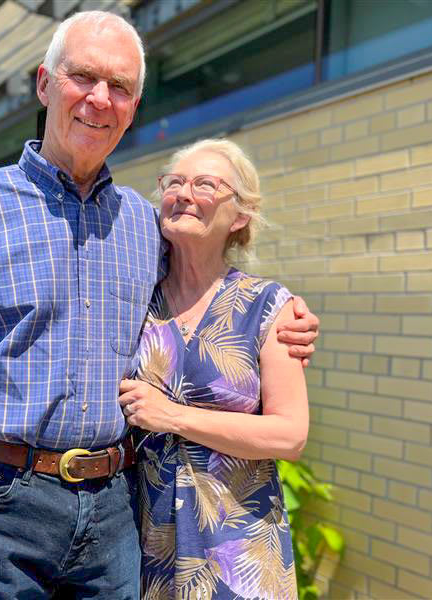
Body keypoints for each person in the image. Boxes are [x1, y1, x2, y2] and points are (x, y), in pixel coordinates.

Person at [0, 11, 318, 600]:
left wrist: (289, 322)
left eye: (120, 87)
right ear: (43, 84)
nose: (99, 98)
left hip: (116, 514)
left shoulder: (145, 225)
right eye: (82, 77)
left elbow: (209, 290)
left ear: (134, 107)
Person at [118, 139, 308, 599]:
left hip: (239, 549)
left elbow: (290, 435)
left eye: (205, 184)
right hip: (147, 543)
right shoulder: (133, 301)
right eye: (174, 182)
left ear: (239, 216)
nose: (184, 193)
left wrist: (172, 416)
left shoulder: (268, 307)